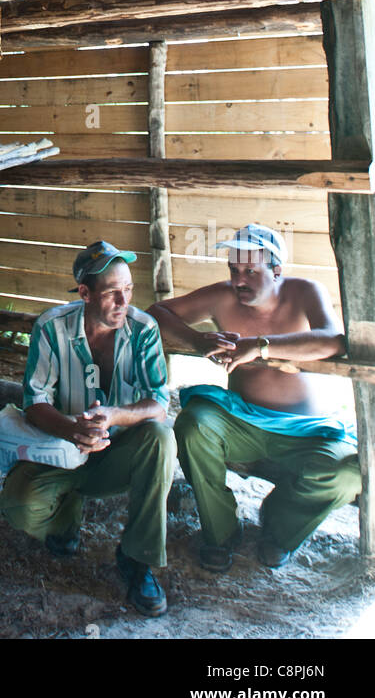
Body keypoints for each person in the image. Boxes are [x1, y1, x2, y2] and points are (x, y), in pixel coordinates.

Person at [148, 223, 361, 572]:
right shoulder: (222, 296)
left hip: (307, 429)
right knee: (192, 425)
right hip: (241, 419)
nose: (238, 280)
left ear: (276, 271)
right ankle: (221, 533)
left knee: (347, 474)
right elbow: (158, 311)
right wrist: (196, 340)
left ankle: (278, 529)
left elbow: (334, 340)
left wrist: (260, 348)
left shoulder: (305, 291)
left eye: (250, 271)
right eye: (233, 269)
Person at [0, 241, 175, 616]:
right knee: (19, 506)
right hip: (61, 450)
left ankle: (137, 561)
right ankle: (65, 518)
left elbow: (159, 402)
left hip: (118, 452)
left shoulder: (143, 330)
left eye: (128, 290)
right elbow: (35, 401)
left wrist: (112, 416)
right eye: (112, 293)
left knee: (161, 437)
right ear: (85, 293)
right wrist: (73, 431)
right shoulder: (51, 327)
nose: (123, 302)